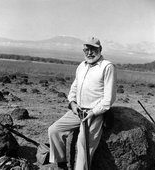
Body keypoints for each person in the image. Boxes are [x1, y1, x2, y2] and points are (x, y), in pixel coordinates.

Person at [48, 37, 117, 170]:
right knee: (54, 130)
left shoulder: (107, 66)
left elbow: (109, 98)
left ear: (100, 50)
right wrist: (73, 104)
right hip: (78, 111)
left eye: (93, 49)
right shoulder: (82, 65)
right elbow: (74, 88)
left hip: (95, 113)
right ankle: (62, 164)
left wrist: (93, 113)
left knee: (83, 144)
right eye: (87, 50)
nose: (90, 53)